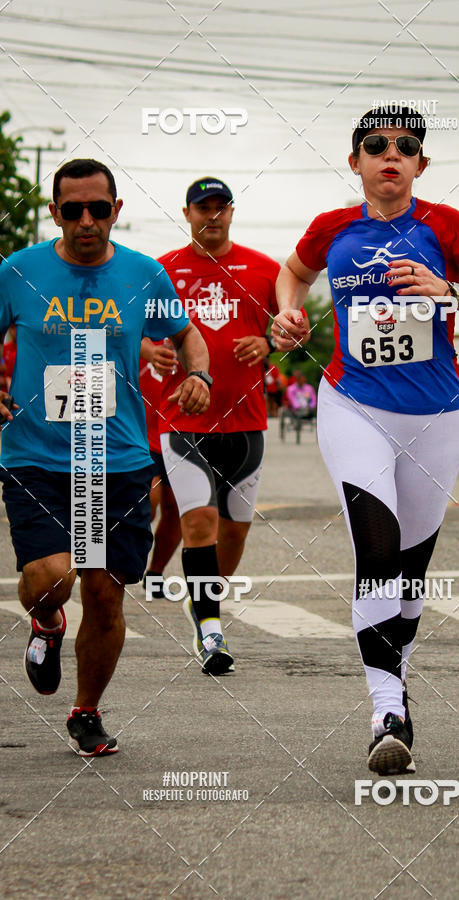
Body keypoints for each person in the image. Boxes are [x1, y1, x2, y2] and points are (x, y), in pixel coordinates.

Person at [273, 106, 459, 776]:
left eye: (406, 146)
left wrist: (453, 292)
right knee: (377, 548)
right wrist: (288, 313)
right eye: (376, 145)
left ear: (420, 164)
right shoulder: (332, 229)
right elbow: (292, 273)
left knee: (411, 569)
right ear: (355, 161)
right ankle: (386, 709)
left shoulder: (447, 226)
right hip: (353, 404)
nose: (391, 154)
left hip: (437, 415)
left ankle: (398, 679)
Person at [0, 158, 211, 756]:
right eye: (73, 210)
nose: (86, 221)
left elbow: (184, 331)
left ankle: (85, 711)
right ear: (54, 213)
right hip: (36, 455)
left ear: (117, 211)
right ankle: (45, 622)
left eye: (98, 209)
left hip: (114, 459)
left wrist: (197, 371)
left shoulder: (145, 275)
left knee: (104, 592)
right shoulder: (18, 272)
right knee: (52, 578)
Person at [150, 177, 301, 674]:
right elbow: (129, 332)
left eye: (220, 207)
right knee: (199, 523)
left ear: (231, 212)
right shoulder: (162, 271)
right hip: (184, 422)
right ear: (187, 213)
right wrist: (147, 349)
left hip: (246, 423)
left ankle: (204, 604)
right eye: (202, 208)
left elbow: (297, 330)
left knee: (234, 535)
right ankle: (211, 631)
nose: (211, 216)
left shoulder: (263, 269)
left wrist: (271, 344)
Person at [139, 343, 182, 598]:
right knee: (149, 504)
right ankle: (122, 566)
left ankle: (155, 573)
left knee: (176, 510)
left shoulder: (184, 335)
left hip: (177, 432)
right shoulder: (139, 335)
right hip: (141, 436)